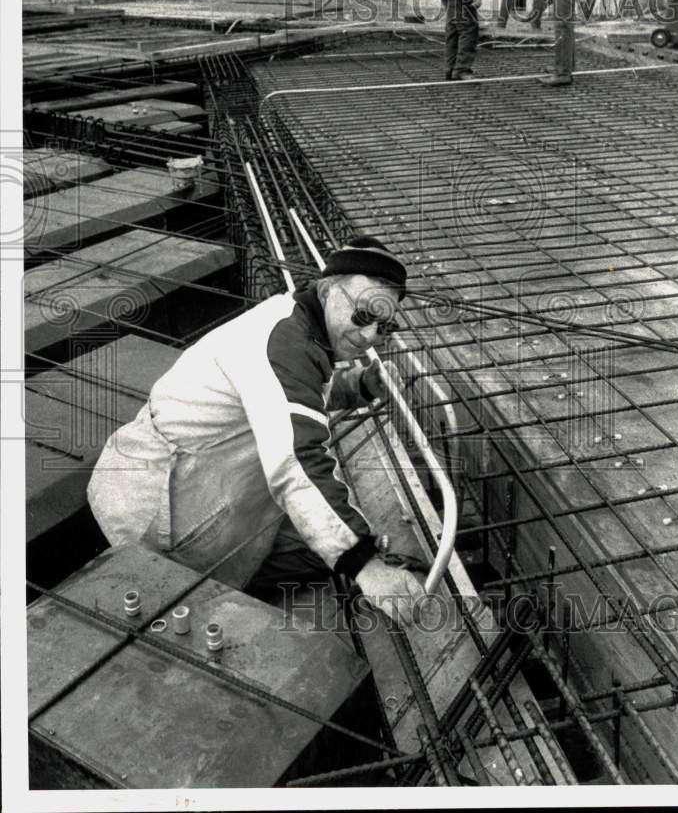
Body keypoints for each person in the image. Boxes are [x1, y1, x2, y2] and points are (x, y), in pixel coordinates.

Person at [87, 237, 425, 625]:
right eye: (363, 315)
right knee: (338, 553)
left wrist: (360, 386)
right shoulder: (284, 342)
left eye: (385, 327)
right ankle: (197, 591)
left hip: (189, 478)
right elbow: (298, 461)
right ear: (330, 290)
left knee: (324, 547)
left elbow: (292, 398)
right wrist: (368, 567)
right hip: (160, 504)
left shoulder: (298, 322)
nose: (369, 336)